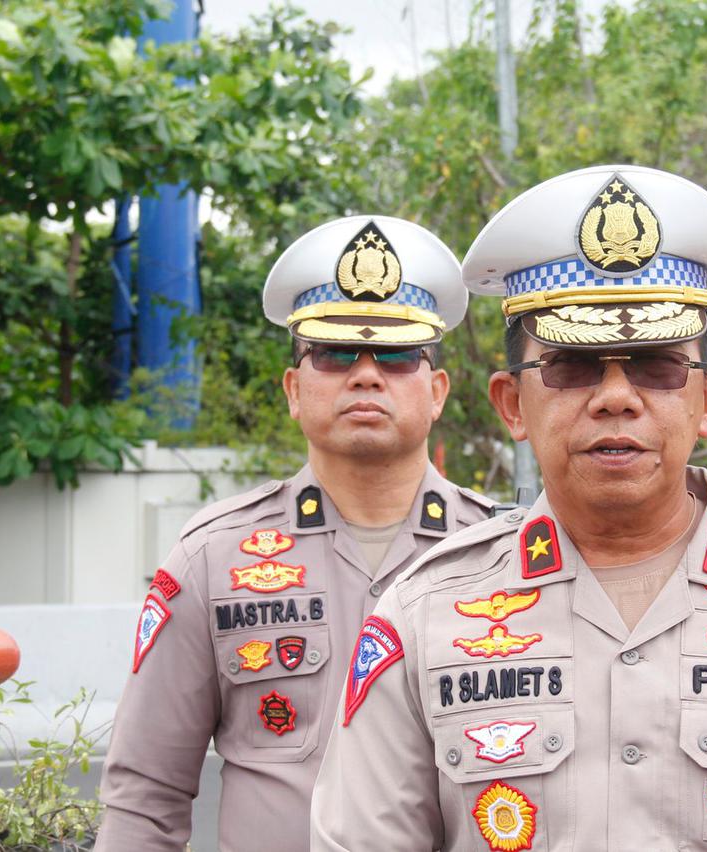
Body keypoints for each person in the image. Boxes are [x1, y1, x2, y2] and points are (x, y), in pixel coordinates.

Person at [310, 166, 707, 850]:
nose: (616, 397)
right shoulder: (421, 613)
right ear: (512, 404)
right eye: (572, 366)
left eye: (655, 366)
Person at [95, 215, 494, 851]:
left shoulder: (503, 558)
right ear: (293, 390)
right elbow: (145, 795)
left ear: (437, 391)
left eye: (396, 356)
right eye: (335, 355)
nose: (366, 376)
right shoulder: (213, 558)